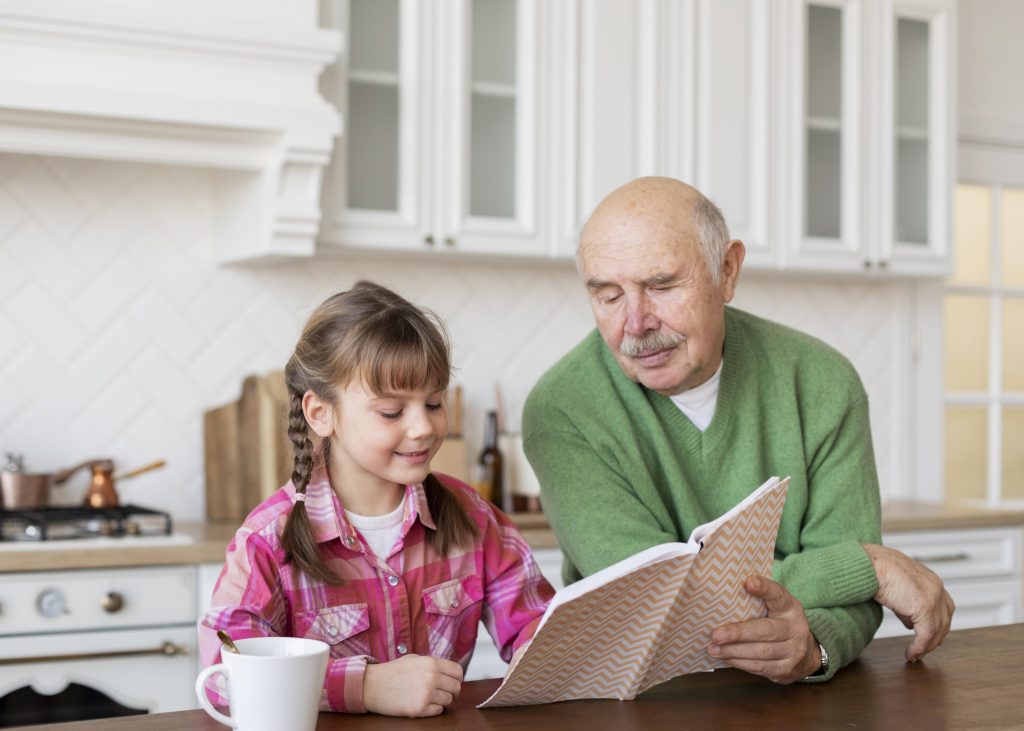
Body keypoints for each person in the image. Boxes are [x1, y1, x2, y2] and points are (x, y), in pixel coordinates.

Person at [522, 177, 954, 684]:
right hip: (636, 703)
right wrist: (868, 568)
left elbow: (852, 610)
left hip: (798, 706)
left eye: (661, 286)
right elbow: (655, 594)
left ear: (727, 272)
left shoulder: (822, 383)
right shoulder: (562, 408)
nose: (635, 323)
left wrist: (813, 645)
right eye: (609, 296)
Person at [200, 281, 554, 716]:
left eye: (435, 402)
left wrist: (541, 655)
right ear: (320, 413)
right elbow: (224, 676)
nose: (422, 427)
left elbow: (537, 627)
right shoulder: (267, 541)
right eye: (392, 412)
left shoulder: (474, 518)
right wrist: (365, 687)